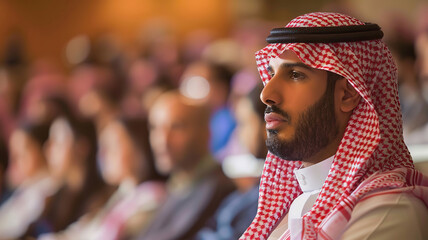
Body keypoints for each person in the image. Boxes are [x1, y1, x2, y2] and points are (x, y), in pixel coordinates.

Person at [241, 12, 428, 240]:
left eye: (295, 75)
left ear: (347, 95)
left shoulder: (389, 209)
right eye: (271, 75)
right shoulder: (295, 203)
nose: (266, 94)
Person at [136, 90, 235, 240]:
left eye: (176, 127)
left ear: (206, 133)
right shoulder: (180, 185)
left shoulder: (217, 188)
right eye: (155, 128)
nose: (162, 141)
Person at [197, 83, 266, 240]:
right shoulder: (256, 187)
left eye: (244, 123)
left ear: (269, 123)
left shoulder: (275, 196)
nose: (238, 133)